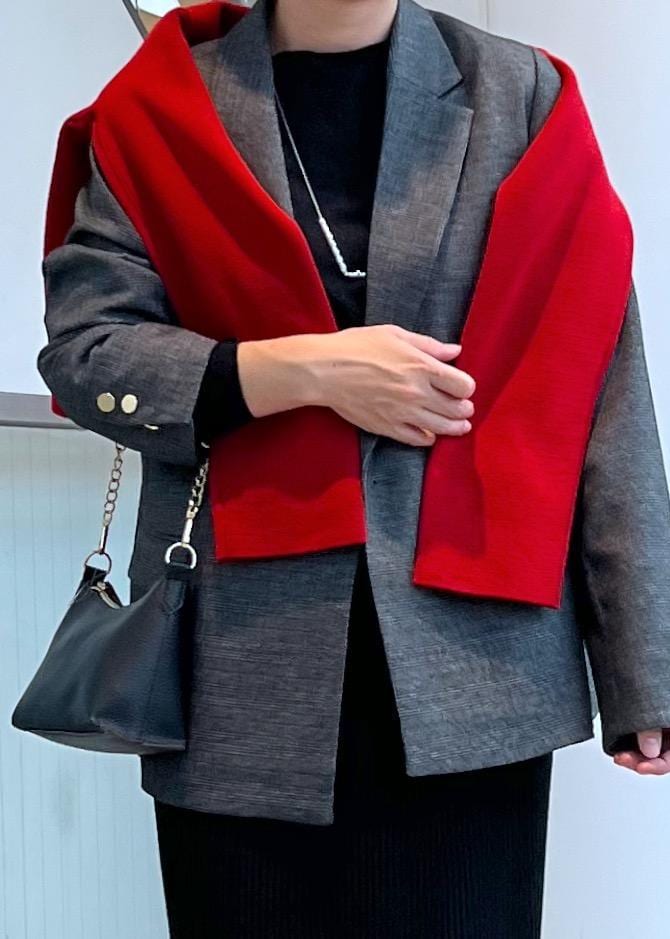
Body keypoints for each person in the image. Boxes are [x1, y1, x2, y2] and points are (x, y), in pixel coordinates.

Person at [37, 0, 670, 935]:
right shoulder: (161, 105)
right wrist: (302, 370)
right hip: (237, 666)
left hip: (476, 665)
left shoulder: (522, 95)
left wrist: (644, 665)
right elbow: (87, 352)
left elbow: (598, 379)